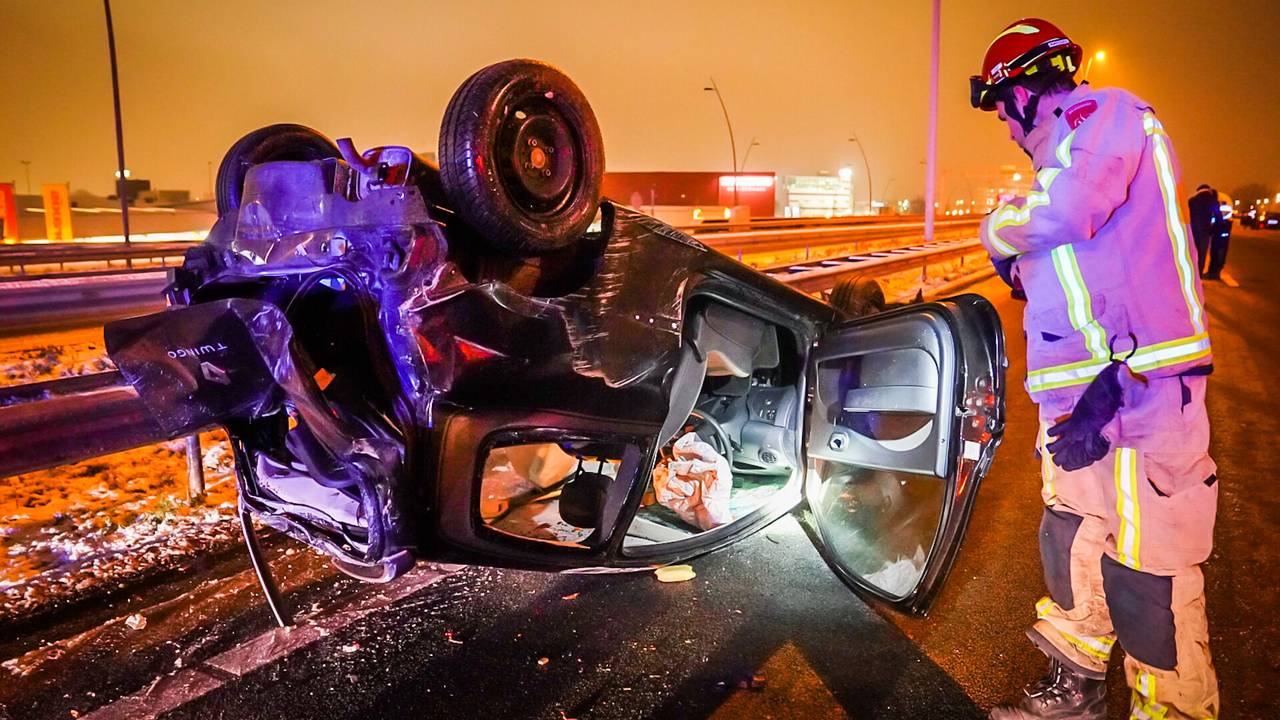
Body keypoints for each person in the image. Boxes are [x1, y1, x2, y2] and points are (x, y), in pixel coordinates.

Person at [970, 18, 1219, 720]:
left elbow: (1073, 212)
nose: (1001, 125)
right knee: (1075, 538)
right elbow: (1068, 265)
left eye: (998, 107)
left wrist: (998, 227)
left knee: (1149, 567)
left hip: (1140, 391)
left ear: (1020, 90)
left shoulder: (1104, 113)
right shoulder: (1057, 165)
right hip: (1078, 400)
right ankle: (1075, 690)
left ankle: (1167, 710)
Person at [1187, 184, 1229, 279]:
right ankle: (1198, 276)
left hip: (1192, 231)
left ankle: (1189, 275)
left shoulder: (1191, 201)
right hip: (1205, 232)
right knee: (1201, 255)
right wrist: (1214, 230)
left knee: (1191, 253)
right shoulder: (1213, 202)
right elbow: (1219, 218)